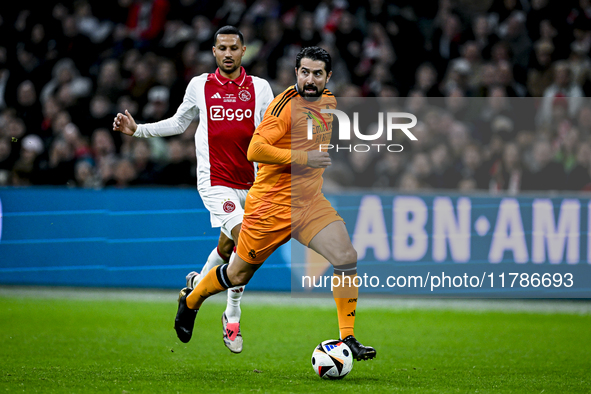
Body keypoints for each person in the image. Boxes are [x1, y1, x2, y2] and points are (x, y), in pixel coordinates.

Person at [174, 46, 377, 361]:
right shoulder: (283, 108)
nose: (310, 79)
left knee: (345, 256)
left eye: (317, 73)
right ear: (297, 73)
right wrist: (303, 157)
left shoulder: (329, 103)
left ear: (328, 77)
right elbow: (255, 149)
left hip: (309, 204)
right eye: (305, 72)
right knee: (238, 274)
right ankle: (191, 300)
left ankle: (347, 338)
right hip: (270, 208)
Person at [113, 26, 274, 353]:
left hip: (252, 184)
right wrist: (138, 130)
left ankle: (194, 289)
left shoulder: (260, 88)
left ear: (244, 52)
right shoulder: (200, 85)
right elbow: (178, 122)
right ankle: (231, 315)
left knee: (229, 252)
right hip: (215, 182)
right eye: (222, 48)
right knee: (247, 244)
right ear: (214, 52)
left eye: (234, 48)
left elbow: (272, 133)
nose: (228, 53)